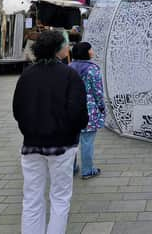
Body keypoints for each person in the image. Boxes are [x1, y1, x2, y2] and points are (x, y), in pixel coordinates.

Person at [13, 30, 88, 234]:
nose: (68, 48)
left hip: (31, 145)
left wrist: (28, 130)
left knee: (31, 198)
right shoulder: (69, 75)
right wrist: (73, 131)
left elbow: (17, 110)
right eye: (65, 44)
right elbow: (78, 111)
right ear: (57, 48)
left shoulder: (27, 74)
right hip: (62, 145)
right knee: (60, 197)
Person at [69, 42, 105, 179]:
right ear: (86, 52)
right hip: (89, 110)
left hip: (71, 109)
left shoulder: (69, 68)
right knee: (87, 141)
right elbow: (98, 91)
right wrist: (101, 107)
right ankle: (87, 170)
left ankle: (71, 167)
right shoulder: (92, 69)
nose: (92, 50)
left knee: (72, 141)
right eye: (90, 48)